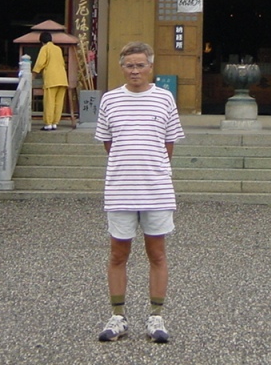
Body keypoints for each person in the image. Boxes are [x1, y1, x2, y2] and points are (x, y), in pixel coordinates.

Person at [96, 41, 185, 344]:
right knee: (117, 253)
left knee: (157, 253)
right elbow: (108, 143)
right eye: (129, 65)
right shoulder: (109, 100)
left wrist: (151, 167)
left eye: (140, 65)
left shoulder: (164, 99)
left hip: (156, 188)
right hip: (120, 188)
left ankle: (156, 316)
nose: (135, 71)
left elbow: (169, 143)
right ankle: (117, 316)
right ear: (122, 67)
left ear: (150, 67)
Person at [31, 31, 67, 130]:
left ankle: (48, 123)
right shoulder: (58, 49)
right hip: (62, 78)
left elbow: (40, 63)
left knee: (49, 102)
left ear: (42, 41)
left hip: (52, 79)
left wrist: (34, 74)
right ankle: (55, 123)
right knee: (59, 102)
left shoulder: (45, 48)